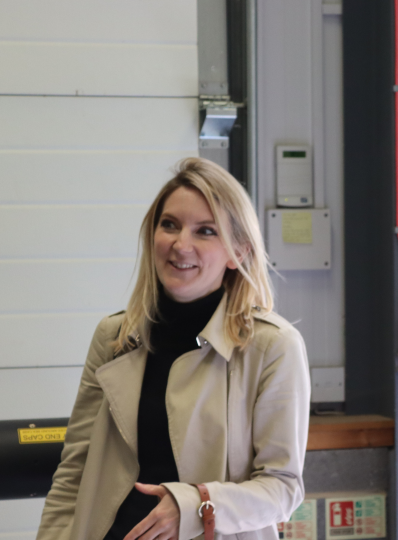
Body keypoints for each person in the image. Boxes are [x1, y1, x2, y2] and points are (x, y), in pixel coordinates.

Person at [37, 158, 310, 540]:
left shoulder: (272, 347)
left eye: (205, 231)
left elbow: (282, 489)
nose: (181, 245)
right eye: (170, 225)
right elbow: (75, 472)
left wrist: (196, 505)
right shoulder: (115, 337)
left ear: (238, 252)